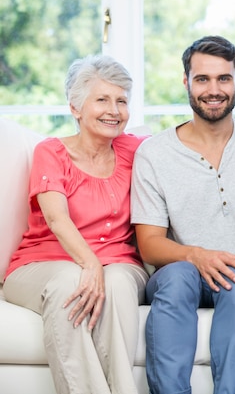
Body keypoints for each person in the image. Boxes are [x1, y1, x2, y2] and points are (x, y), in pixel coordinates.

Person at [130, 35, 235, 394]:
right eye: (202, 79)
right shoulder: (154, 154)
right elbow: (150, 245)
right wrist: (197, 255)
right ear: (186, 82)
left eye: (223, 79)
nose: (213, 89)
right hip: (179, 273)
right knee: (180, 274)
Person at [3, 55, 148, 394]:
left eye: (122, 100)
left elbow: (182, 150)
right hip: (41, 263)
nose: (114, 110)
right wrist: (90, 263)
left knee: (117, 283)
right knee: (71, 281)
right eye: (102, 99)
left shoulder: (135, 150)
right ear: (76, 107)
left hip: (119, 263)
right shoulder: (51, 152)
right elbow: (56, 217)